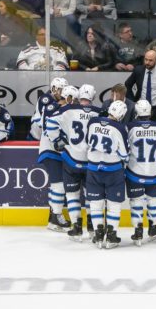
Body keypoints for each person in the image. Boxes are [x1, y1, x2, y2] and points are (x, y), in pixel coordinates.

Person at [45, 85, 101, 242]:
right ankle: (92, 227)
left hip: (71, 160)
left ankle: (76, 227)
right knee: (92, 196)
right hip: (91, 161)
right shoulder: (98, 112)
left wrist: (57, 141)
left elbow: (50, 123)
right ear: (93, 97)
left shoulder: (67, 110)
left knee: (72, 195)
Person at [126, 100, 156, 246]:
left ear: (136, 112)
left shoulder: (130, 127)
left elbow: (124, 152)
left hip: (134, 173)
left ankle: (138, 230)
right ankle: (153, 228)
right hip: (155, 173)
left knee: (136, 201)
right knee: (154, 201)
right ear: (150, 112)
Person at [85, 100, 129, 249]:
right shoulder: (120, 128)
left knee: (96, 204)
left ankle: (98, 234)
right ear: (122, 114)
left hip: (93, 169)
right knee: (113, 205)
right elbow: (124, 154)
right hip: (113, 171)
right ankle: (111, 235)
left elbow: (87, 141)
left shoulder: (93, 122)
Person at [37, 78, 71, 231]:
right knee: (59, 184)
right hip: (51, 149)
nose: (62, 94)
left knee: (57, 185)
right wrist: (59, 141)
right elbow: (47, 127)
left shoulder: (61, 107)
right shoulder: (51, 106)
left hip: (54, 150)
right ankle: (56, 217)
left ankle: (52, 218)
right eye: (60, 91)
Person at [29, 77, 68, 141]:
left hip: (48, 136)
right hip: (37, 137)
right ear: (54, 89)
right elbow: (46, 119)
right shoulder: (45, 99)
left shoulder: (62, 99)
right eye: (61, 90)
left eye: (65, 91)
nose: (63, 93)